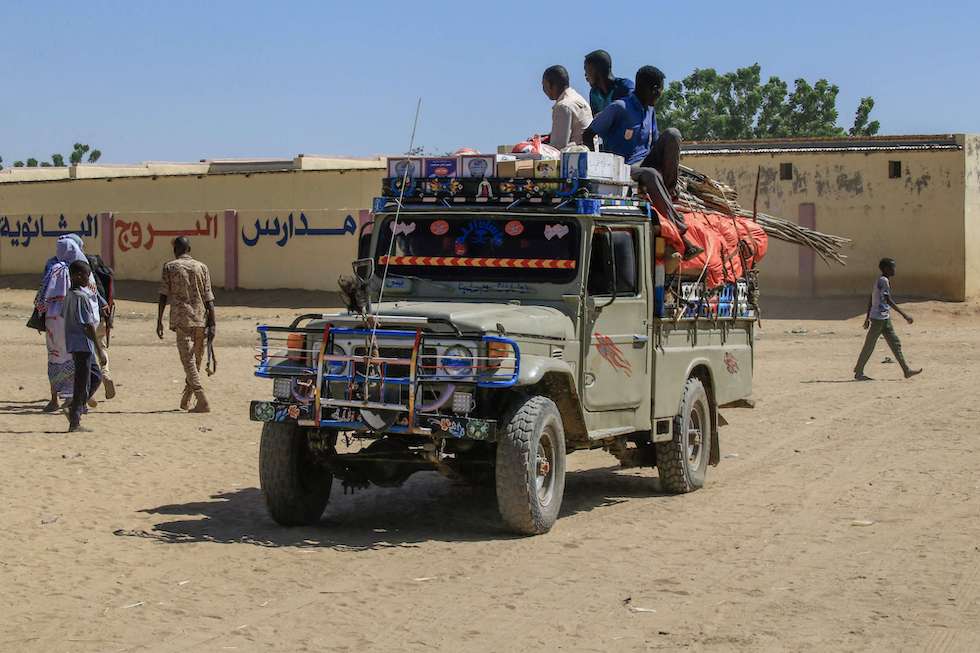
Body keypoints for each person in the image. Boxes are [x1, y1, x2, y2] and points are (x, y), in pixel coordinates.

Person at [583, 65, 703, 260]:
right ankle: (681, 232)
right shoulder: (619, 107)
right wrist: (598, 164)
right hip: (624, 167)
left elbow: (655, 142)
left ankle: (670, 191)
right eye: (660, 89)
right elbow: (588, 133)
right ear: (651, 89)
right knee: (651, 174)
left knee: (673, 134)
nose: (660, 94)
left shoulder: (650, 111)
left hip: (645, 162)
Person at [157, 236, 216, 412]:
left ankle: (201, 399)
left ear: (176, 250)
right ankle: (186, 399)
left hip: (182, 320)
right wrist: (212, 323)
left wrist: (159, 320)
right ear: (189, 249)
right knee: (195, 362)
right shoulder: (202, 267)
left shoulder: (170, 267)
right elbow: (209, 298)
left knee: (188, 362)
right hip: (201, 319)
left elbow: (163, 295)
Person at [38, 236, 88, 412]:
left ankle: (53, 399)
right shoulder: (77, 271)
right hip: (69, 320)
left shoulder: (54, 269)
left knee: (54, 356)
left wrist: (42, 315)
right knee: (72, 356)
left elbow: (42, 298)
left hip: (52, 322)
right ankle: (71, 398)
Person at [854, 258, 922, 381]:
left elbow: (871, 298)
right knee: (869, 345)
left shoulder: (879, 281)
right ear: (886, 269)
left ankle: (906, 370)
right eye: (892, 267)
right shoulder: (883, 281)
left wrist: (867, 317)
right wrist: (904, 315)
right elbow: (887, 300)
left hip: (884, 318)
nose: (894, 270)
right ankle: (859, 371)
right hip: (878, 319)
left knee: (895, 343)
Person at [63, 260, 107, 432]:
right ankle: (75, 420)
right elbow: (88, 326)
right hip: (82, 345)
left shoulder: (70, 295)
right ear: (77, 276)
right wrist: (100, 350)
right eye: (87, 276)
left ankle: (75, 407)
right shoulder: (81, 297)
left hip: (77, 343)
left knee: (95, 376)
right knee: (82, 382)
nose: (88, 280)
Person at [541, 65, 593, 150]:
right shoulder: (577, 98)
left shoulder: (563, 106)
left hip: (575, 158)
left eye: (544, 86)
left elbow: (558, 147)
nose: (544, 90)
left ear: (552, 85)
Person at [584, 50, 634, 117]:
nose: (585, 75)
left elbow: (630, 114)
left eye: (587, 70)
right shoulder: (594, 93)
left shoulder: (625, 87)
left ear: (598, 71)